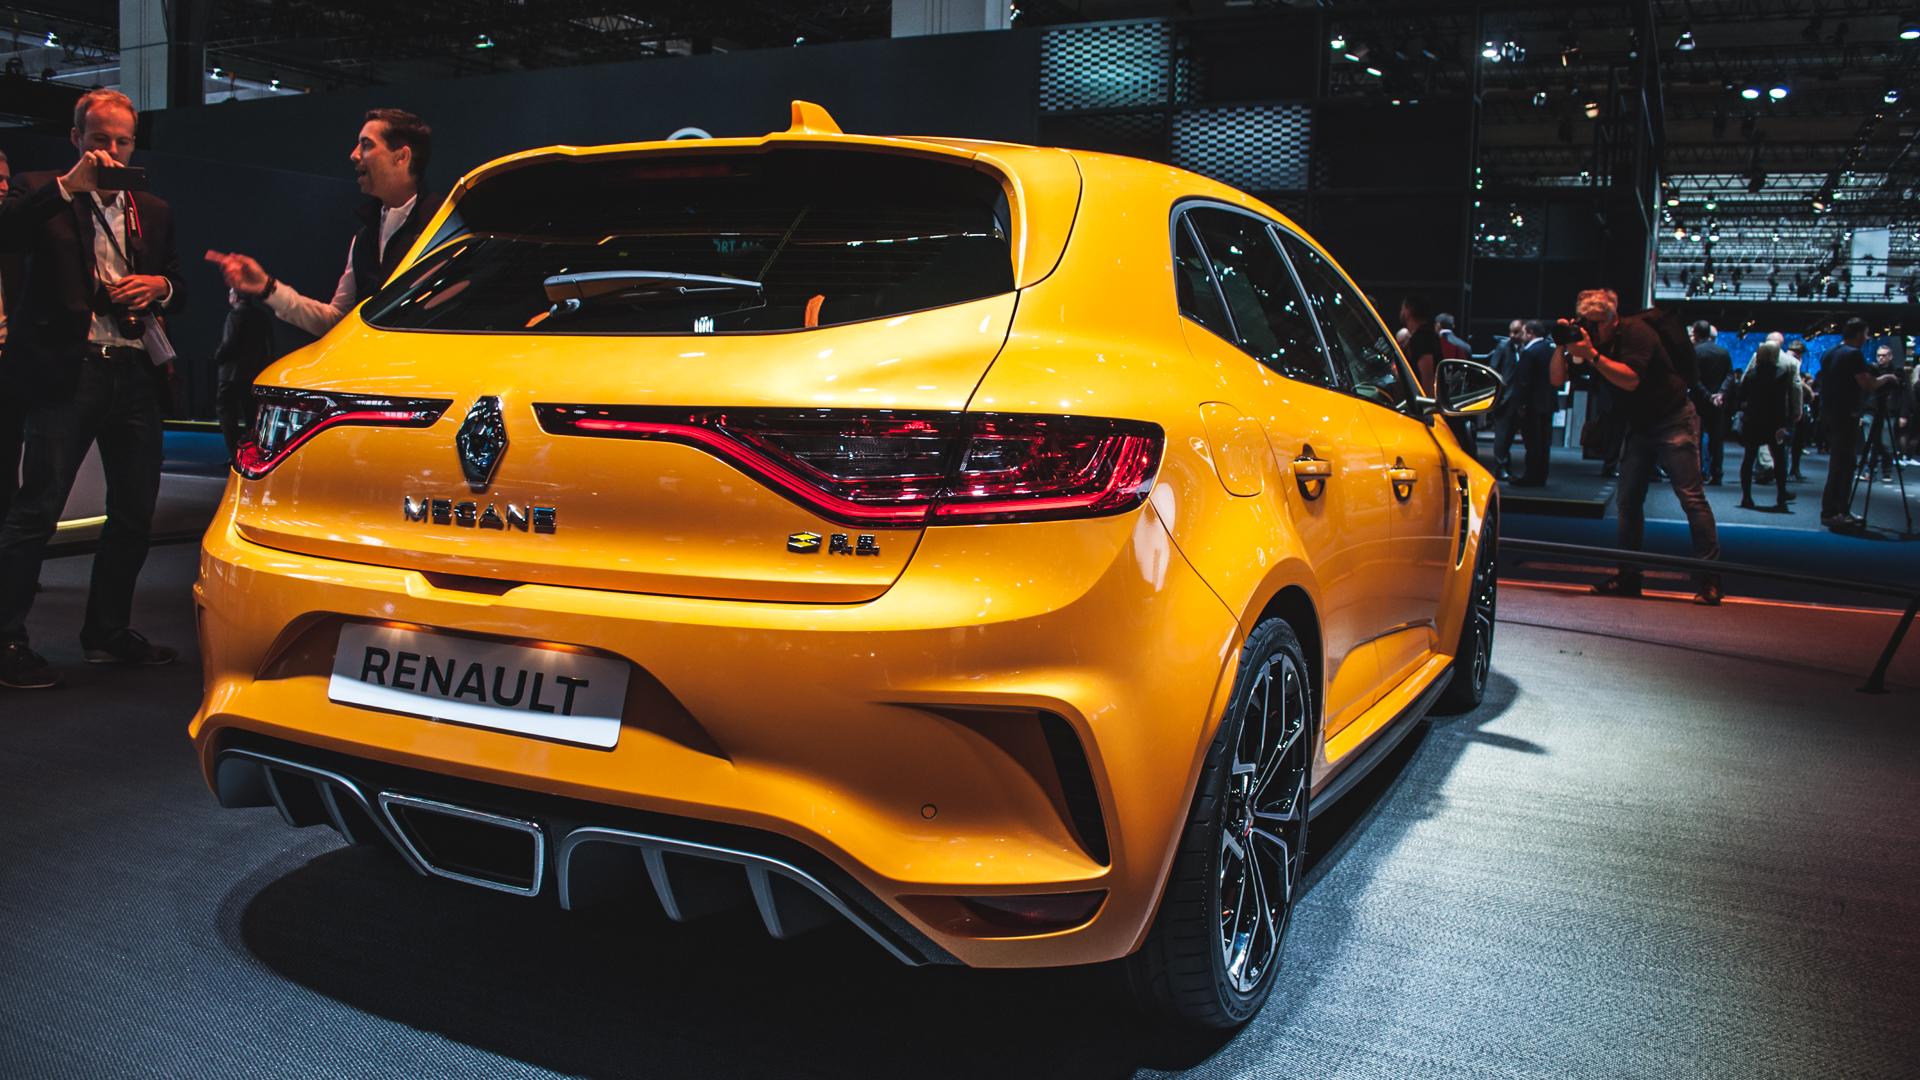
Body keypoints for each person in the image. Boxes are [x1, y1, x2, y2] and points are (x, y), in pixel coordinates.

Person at [0, 90, 186, 690]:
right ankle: (7, 640)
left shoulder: (152, 209)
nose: (111, 151)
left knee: (134, 511)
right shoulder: (40, 189)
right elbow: (7, 233)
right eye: (100, 138)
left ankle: (107, 632)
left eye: (123, 141)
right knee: (39, 506)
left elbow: (178, 281)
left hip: (134, 370)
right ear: (77, 138)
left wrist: (160, 287)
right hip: (68, 369)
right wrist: (68, 186)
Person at [1551, 289, 1720, 604]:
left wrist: (1593, 355)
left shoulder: (1637, 333)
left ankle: (1710, 579)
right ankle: (1629, 576)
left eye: (1597, 323)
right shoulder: (1588, 338)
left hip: (1672, 417)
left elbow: (1630, 379)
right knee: (1628, 501)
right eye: (1587, 323)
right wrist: (1562, 343)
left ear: (1613, 319)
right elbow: (1557, 380)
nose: (1592, 329)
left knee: (1691, 498)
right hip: (1639, 424)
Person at [209, 108, 435, 338]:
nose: (354, 154)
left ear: (402, 157)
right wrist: (267, 287)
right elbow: (337, 322)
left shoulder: (441, 223)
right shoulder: (365, 238)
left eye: (366, 145)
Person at [1818, 319, 1898, 531]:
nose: (1867, 338)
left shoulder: (1830, 353)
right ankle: (1834, 512)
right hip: (1846, 415)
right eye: (1866, 333)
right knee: (1844, 465)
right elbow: (1868, 384)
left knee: (1840, 464)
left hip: (1830, 415)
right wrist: (1887, 378)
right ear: (1859, 334)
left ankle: (1839, 509)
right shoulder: (1853, 355)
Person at [1731, 342, 1793, 512]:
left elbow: (1741, 397)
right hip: (1774, 422)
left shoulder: (1751, 374)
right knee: (1779, 460)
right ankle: (1781, 497)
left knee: (1748, 459)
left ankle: (1746, 497)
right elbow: (1781, 402)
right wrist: (1783, 424)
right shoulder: (1782, 374)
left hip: (1753, 421)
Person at [1507, 319, 1558, 486]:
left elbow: (1524, 381)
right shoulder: (1551, 348)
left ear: (1530, 333)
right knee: (1544, 442)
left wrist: (1520, 404)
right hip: (1548, 402)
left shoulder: (1530, 352)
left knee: (1532, 442)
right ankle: (1541, 475)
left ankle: (1530, 476)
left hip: (1532, 404)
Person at [0, 149, 21, 526]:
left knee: (6, 465)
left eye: (5, 179)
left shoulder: (17, 240)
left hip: (10, 363)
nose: (4, 187)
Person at [1691, 320, 1732, 485]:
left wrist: (1707, 395)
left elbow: (1693, 378)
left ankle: (1700, 472)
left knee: (1697, 437)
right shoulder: (1723, 352)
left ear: (1695, 333)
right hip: (1719, 402)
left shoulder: (1695, 352)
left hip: (1699, 401)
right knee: (1717, 438)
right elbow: (1729, 375)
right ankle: (1717, 473)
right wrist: (1720, 393)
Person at [1860, 344, 1905, 482]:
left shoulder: (1897, 372)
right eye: (1879, 355)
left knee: (1887, 444)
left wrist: (1903, 414)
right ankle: (1868, 471)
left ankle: (1887, 471)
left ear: (1890, 356)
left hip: (1889, 411)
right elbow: (1864, 391)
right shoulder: (1871, 370)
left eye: (1884, 355)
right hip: (1870, 410)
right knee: (1870, 443)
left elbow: (1903, 393)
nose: (1881, 358)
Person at [1486, 319, 1524, 479]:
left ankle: (1505, 466)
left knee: (1509, 436)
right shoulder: (1503, 347)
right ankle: (1500, 466)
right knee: (1502, 435)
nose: (1512, 335)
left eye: (1516, 332)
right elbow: (1493, 370)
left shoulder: (1524, 348)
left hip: (1518, 399)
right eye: (1511, 332)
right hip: (1504, 399)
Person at [1399, 295, 1442, 396]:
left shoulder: (1422, 338)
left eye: (1402, 308)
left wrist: (1426, 403)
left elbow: (1428, 376)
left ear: (1408, 311)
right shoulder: (1425, 335)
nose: (1401, 312)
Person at [1781, 338, 1810, 480]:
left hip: (1788, 406)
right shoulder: (1792, 362)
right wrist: (1809, 389)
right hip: (1790, 407)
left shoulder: (1783, 359)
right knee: (1788, 440)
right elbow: (1796, 384)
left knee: (1792, 441)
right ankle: (1785, 471)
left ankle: (1789, 470)